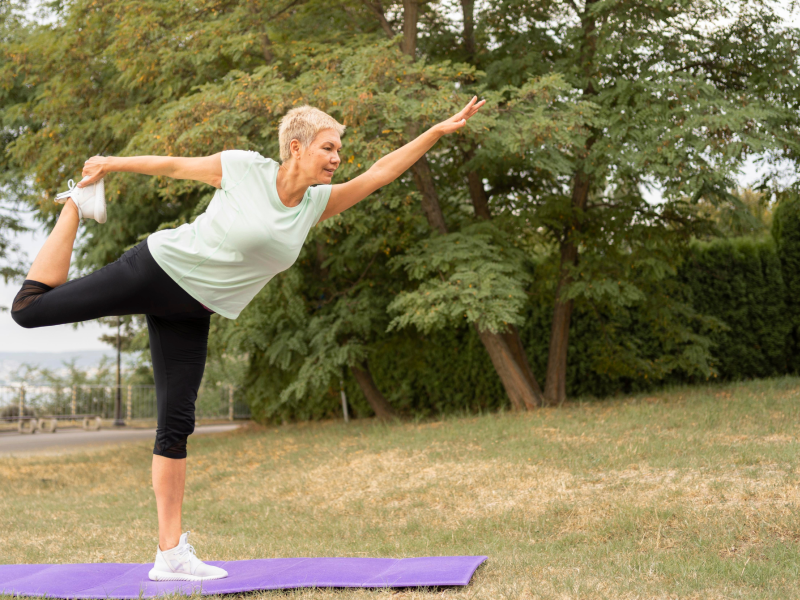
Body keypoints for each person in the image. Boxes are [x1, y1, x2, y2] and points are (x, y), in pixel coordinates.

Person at [10, 97, 486, 581]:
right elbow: (174, 165)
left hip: (193, 310)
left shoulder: (315, 204)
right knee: (29, 311)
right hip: (156, 269)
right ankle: (76, 203)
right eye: (329, 147)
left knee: (176, 425)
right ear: (296, 147)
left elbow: (380, 173)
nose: (338, 158)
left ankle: (169, 555)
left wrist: (434, 132)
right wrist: (111, 165)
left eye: (338, 148)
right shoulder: (244, 169)